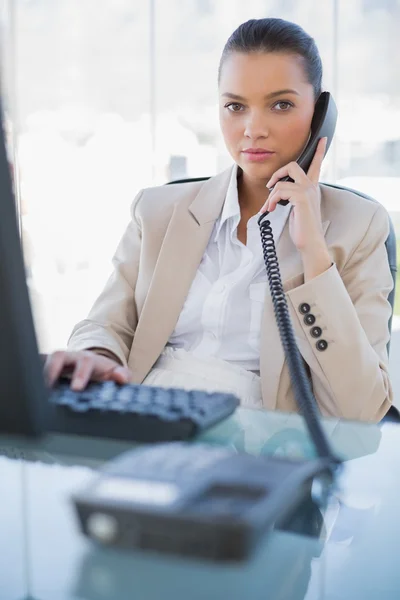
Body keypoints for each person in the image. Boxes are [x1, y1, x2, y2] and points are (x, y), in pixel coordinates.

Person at [45, 18, 394, 422]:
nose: (253, 129)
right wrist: (96, 357)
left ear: (320, 115)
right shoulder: (158, 210)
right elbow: (107, 325)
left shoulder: (359, 225)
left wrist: (313, 252)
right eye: (235, 106)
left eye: (281, 104)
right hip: (144, 421)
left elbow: (362, 411)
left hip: (258, 445)